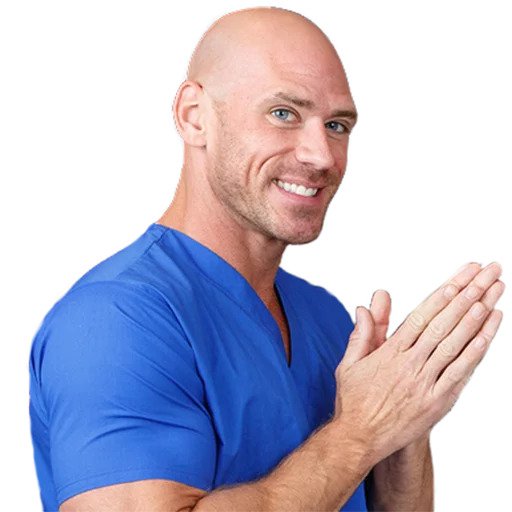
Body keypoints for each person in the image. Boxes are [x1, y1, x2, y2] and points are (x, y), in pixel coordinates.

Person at [28, 6, 505, 512]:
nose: (322, 156)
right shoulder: (114, 321)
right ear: (194, 116)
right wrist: (361, 431)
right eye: (283, 114)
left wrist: (405, 424)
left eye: (337, 125)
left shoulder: (327, 319)